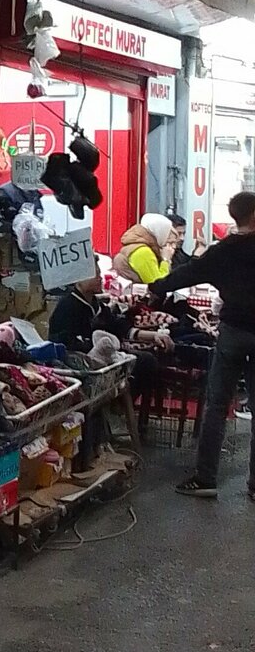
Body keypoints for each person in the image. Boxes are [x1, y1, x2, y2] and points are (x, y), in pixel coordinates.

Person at [150, 191, 255, 498]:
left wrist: (156, 287)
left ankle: (205, 478)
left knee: (217, 404)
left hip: (233, 331)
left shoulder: (222, 251)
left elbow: (187, 273)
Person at [49, 263, 170, 428]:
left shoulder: (97, 305)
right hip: (80, 365)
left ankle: (118, 406)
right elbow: (61, 342)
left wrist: (155, 335)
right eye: (95, 273)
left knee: (148, 361)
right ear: (78, 279)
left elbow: (120, 327)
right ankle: (114, 408)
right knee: (142, 361)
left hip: (105, 361)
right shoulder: (67, 306)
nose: (100, 277)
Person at [113, 213, 174, 284]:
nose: (168, 239)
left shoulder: (135, 246)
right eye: (167, 233)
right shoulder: (143, 251)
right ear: (160, 232)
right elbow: (157, 283)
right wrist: (166, 260)